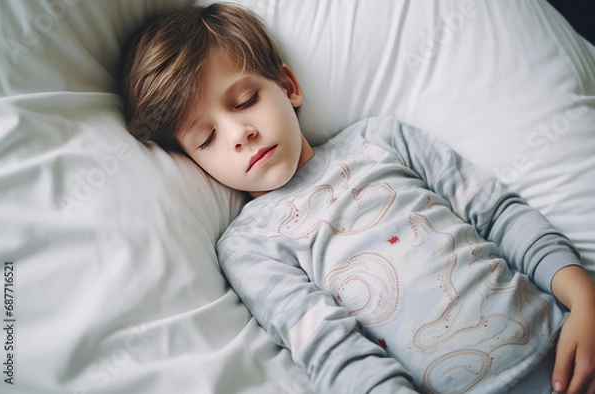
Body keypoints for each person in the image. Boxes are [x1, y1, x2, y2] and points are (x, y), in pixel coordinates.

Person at [120, 3, 595, 393]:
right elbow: (331, 349)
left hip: (565, 340)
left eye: (245, 101)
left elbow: (498, 214)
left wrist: (582, 297)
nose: (239, 133)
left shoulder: (380, 140)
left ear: (287, 86)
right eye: (206, 139)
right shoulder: (249, 246)